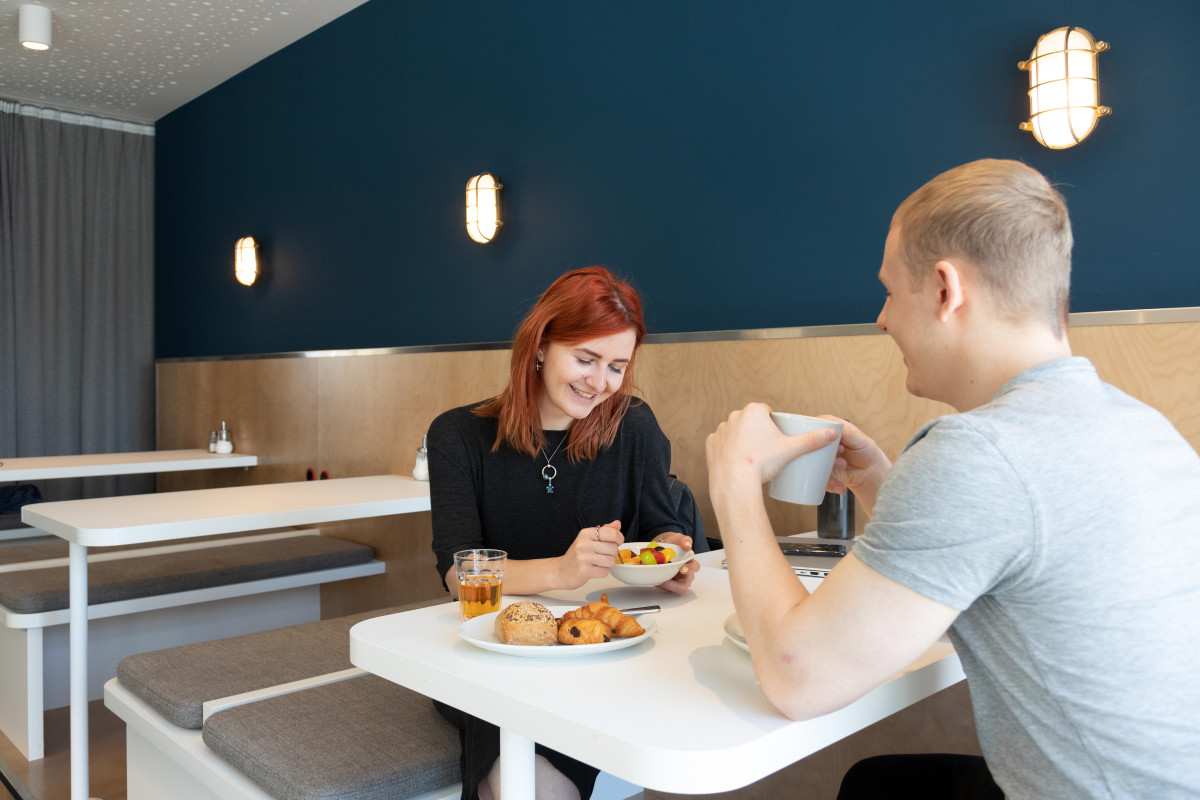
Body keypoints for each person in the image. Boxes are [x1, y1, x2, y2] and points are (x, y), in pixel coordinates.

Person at [705, 159, 1200, 799]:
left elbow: (797, 680)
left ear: (945, 289)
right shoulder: (1143, 426)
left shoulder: (980, 452)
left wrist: (737, 483)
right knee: (878, 785)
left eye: (890, 291)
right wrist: (882, 481)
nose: (882, 319)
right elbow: (987, 571)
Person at [428, 265, 699, 800]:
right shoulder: (459, 436)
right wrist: (559, 571)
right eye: (585, 359)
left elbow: (663, 526)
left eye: (617, 366)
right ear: (540, 346)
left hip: (605, 656)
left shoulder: (633, 426)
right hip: (498, 653)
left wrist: (670, 556)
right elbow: (460, 577)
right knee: (519, 779)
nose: (600, 383)